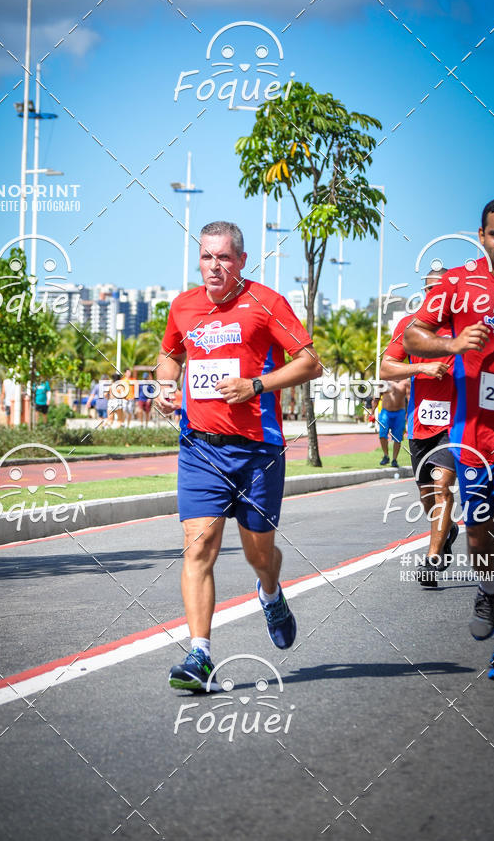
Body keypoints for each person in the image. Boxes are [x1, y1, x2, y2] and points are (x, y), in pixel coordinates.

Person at [155, 220, 322, 692]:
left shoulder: (266, 302)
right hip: (200, 448)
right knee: (199, 547)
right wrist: (167, 383)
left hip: (258, 452)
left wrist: (257, 385)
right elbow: (169, 355)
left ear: (241, 261)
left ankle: (270, 593)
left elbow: (311, 361)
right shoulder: (184, 305)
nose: (214, 266)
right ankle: (199, 655)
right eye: (207, 256)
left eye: (224, 257)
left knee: (259, 554)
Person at [405, 196, 494, 684]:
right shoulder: (458, 284)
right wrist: (451, 343)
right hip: (472, 435)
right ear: (482, 237)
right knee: (480, 532)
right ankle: (487, 588)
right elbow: (413, 337)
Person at [381, 270, 458, 587]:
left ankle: (433, 558)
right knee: (426, 492)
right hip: (420, 423)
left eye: (441, 289)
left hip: (456, 423)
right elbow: (387, 366)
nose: (435, 295)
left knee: (442, 488)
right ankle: (448, 530)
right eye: (430, 289)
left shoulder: (462, 327)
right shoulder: (409, 327)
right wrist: (421, 366)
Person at [374, 377, 409, 468]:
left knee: (398, 438)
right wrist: (372, 410)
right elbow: (377, 396)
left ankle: (394, 459)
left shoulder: (405, 383)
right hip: (386, 412)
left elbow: (409, 399)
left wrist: (409, 415)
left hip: (400, 413)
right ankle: (386, 455)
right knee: (382, 434)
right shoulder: (384, 382)